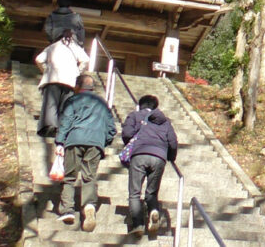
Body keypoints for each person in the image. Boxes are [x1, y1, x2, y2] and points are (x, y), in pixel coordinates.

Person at [54, 73, 117, 232]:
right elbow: (111, 129)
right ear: (92, 87)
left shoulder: (73, 100)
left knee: (69, 177)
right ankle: (89, 205)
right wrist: (103, 142)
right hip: (96, 142)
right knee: (89, 177)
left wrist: (60, 141)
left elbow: (66, 121)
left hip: (74, 139)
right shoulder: (102, 103)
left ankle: (68, 210)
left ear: (77, 86)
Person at [122, 94, 178, 238]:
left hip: (140, 154)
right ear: (155, 107)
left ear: (140, 105)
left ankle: (138, 225)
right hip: (159, 157)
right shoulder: (165, 122)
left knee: (135, 193)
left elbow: (127, 133)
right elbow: (172, 142)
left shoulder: (135, 115)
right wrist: (170, 158)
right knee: (151, 192)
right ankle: (153, 210)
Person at [35, 29, 90, 137]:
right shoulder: (76, 48)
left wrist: (46, 70)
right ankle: (62, 129)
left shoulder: (53, 47)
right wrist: (78, 71)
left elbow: (39, 59)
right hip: (69, 81)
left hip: (52, 79)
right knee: (65, 106)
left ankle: (50, 126)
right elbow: (86, 60)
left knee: (51, 104)